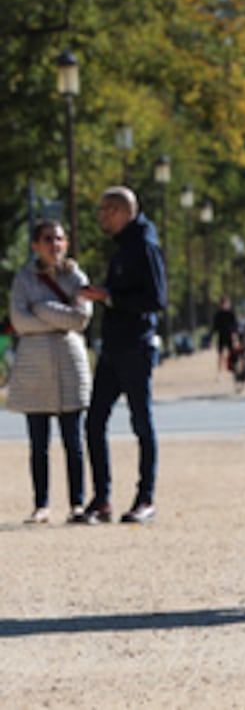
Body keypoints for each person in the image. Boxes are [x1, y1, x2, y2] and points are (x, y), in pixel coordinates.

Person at [79, 186, 168, 523]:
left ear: (119, 211)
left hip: (136, 346)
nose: (100, 217)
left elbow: (157, 299)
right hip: (113, 347)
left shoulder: (144, 245)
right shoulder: (123, 246)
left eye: (104, 210)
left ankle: (146, 499)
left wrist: (109, 297)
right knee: (94, 421)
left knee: (141, 422)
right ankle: (102, 500)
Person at [7, 220, 93, 524]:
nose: (53, 244)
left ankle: (77, 503)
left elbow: (81, 318)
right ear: (35, 245)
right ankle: (41, 504)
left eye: (58, 238)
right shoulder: (23, 279)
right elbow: (19, 320)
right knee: (38, 444)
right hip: (35, 367)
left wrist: (41, 309)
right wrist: (59, 317)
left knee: (74, 441)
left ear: (65, 243)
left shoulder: (77, 277)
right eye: (47, 239)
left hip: (69, 364)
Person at [211, 296, 239, 380]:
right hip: (221, 336)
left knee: (233, 354)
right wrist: (212, 338)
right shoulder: (218, 315)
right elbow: (215, 327)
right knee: (220, 355)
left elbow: (235, 325)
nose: (225, 305)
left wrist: (235, 335)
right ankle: (219, 373)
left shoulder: (231, 314)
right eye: (223, 304)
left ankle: (234, 370)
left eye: (226, 303)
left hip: (230, 336)